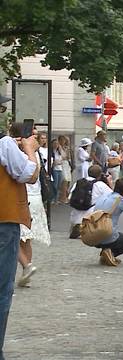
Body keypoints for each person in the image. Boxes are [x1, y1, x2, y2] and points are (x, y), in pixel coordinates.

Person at [0, 124, 39, 358]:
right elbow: (30, 175)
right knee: (2, 289)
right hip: (3, 221)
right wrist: (30, 149)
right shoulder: (4, 144)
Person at [7, 124, 51, 289]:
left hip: (23, 198)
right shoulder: (35, 153)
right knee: (26, 239)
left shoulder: (18, 152)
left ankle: (27, 266)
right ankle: (27, 270)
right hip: (35, 198)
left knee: (13, 237)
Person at [93, 178, 123, 266]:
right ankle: (110, 253)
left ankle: (106, 253)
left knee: (115, 232)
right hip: (108, 235)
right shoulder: (121, 201)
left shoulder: (105, 195)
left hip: (95, 235)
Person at [68, 165, 113, 239]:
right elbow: (112, 196)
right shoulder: (100, 185)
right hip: (90, 214)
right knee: (102, 204)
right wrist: (109, 182)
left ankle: (77, 225)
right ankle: (88, 228)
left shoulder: (78, 183)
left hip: (75, 213)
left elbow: (70, 197)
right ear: (100, 175)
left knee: (78, 217)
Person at [58, 135, 73, 203]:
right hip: (62, 164)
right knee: (64, 180)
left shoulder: (66, 148)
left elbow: (68, 157)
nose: (64, 142)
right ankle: (62, 197)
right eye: (63, 140)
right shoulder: (59, 147)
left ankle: (65, 196)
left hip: (67, 164)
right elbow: (63, 156)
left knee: (68, 180)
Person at [51, 138, 63, 203]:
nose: (56, 145)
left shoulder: (59, 152)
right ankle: (53, 198)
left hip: (60, 169)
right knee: (55, 185)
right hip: (55, 169)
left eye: (57, 144)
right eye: (55, 144)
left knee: (59, 185)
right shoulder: (52, 152)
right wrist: (57, 162)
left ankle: (56, 199)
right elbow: (54, 162)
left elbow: (62, 160)